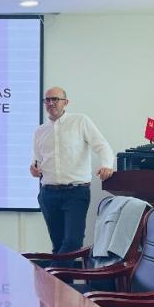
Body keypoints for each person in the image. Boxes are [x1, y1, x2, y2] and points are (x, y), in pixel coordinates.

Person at [30, 87, 114, 264]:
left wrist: (107, 165)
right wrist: (33, 168)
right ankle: (62, 282)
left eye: (55, 99)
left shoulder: (80, 121)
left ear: (66, 102)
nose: (51, 103)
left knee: (73, 242)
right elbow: (37, 160)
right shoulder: (40, 131)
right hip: (48, 194)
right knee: (58, 245)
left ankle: (49, 275)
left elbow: (102, 146)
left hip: (76, 193)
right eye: (47, 100)